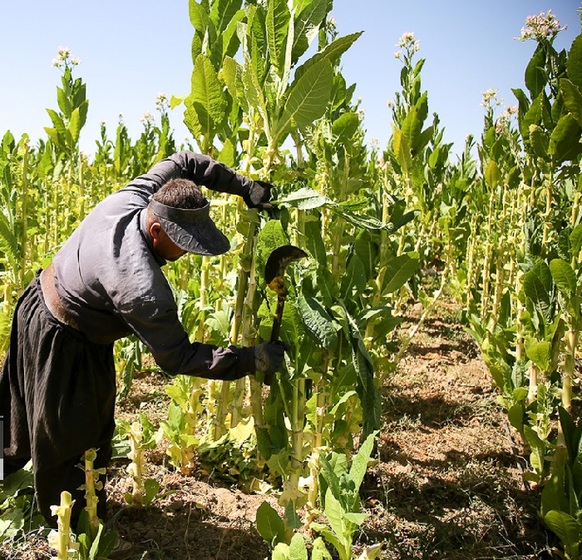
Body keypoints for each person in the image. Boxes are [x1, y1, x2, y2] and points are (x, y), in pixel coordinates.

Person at [0, 150, 287, 528]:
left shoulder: (139, 197)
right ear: (156, 232)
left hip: (36, 302)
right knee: (75, 442)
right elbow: (178, 357)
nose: (186, 253)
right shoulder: (140, 286)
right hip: (66, 341)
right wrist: (252, 359)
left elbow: (185, 161)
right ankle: (77, 534)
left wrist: (243, 187)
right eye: (184, 243)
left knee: (11, 413)